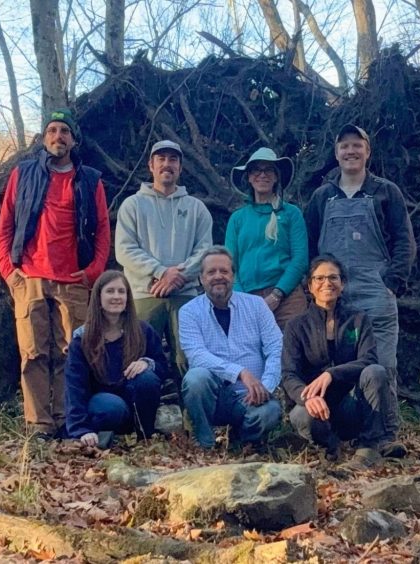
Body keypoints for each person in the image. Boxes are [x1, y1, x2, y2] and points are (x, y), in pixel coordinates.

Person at [0, 108, 110, 438]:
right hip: (29, 278)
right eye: (52, 131)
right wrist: (9, 272)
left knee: (70, 353)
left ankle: (65, 419)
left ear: (74, 140)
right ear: (44, 138)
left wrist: (93, 272)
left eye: (64, 132)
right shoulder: (24, 174)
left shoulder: (89, 180)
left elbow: (103, 230)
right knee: (33, 354)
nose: (58, 137)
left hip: (73, 281)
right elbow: (5, 225)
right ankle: (38, 424)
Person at [304, 124, 416, 456]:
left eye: (357, 146)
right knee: (337, 364)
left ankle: (384, 436)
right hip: (333, 297)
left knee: (383, 365)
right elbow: (310, 244)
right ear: (336, 153)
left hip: (375, 295)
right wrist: (315, 287)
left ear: (368, 152)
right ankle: (337, 431)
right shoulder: (322, 196)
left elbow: (404, 241)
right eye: (344, 146)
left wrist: (391, 281)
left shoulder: (385, 191)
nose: (350, 151)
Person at [282, 255, 404, 469]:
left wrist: (332, 374)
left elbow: (368, 359)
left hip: (350, 406)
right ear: (310, 286)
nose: (326, 283)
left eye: (333, 277)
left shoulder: (358, 319)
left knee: (376, 371)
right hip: (314, 407)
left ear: (343, 283)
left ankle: (370, 446)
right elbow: (289, 374)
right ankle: (329, 446)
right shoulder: (296, 326)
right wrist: (306, 398)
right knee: (303, 416)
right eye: (319, 278)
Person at [115, 140, 213, 377]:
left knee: (189, 362)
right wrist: (161, 271)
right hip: (144, 295)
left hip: (186, 296)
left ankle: (192, 415)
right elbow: (124, 249)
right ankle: (140, 415)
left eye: (173, 159)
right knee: (137, 361)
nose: (167, 164)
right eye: (161, 159)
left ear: (180, 167)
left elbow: (204, 250)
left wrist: (178, 276)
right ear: (151, 165)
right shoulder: (132, 205)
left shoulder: (196, 208)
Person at [179, 246, 283, 450]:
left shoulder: (257, 306)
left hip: (250, 396)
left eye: (224, 271)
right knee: (195, 378)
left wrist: (266, 387)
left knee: (269, 412)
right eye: (211, 272)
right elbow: (197, 355)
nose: (218, 276)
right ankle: (205, 443)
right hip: (213, 396)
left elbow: (276, 346)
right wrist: (240, 372)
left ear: (233, 276)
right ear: (201, 278)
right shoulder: (189, 312)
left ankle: (241, 444)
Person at [64, 270, 166, 448]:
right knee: (112, 407)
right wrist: (81, 429)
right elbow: (74, 387)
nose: (116, 296)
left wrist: (147, 363)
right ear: (98, 298)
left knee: (148, 378)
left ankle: (145, 436)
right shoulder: (83, 339)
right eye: (110, 291)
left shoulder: (143, 331)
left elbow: (164, 368)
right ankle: (100, 435)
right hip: (103, 405)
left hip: (134, 403)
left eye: (121, 291)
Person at [225, 148, 308, 328]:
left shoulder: (291, 214)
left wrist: (277, 294)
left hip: (288, 298)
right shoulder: (237, 219)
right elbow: (230, 265)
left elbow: (300, 259)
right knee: (250, 353)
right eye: (256, 170)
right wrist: (242, 298)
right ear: (248, 177)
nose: (262, 175)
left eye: (268, 170)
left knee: (291, 352)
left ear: (276, 177)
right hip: (247, 297)